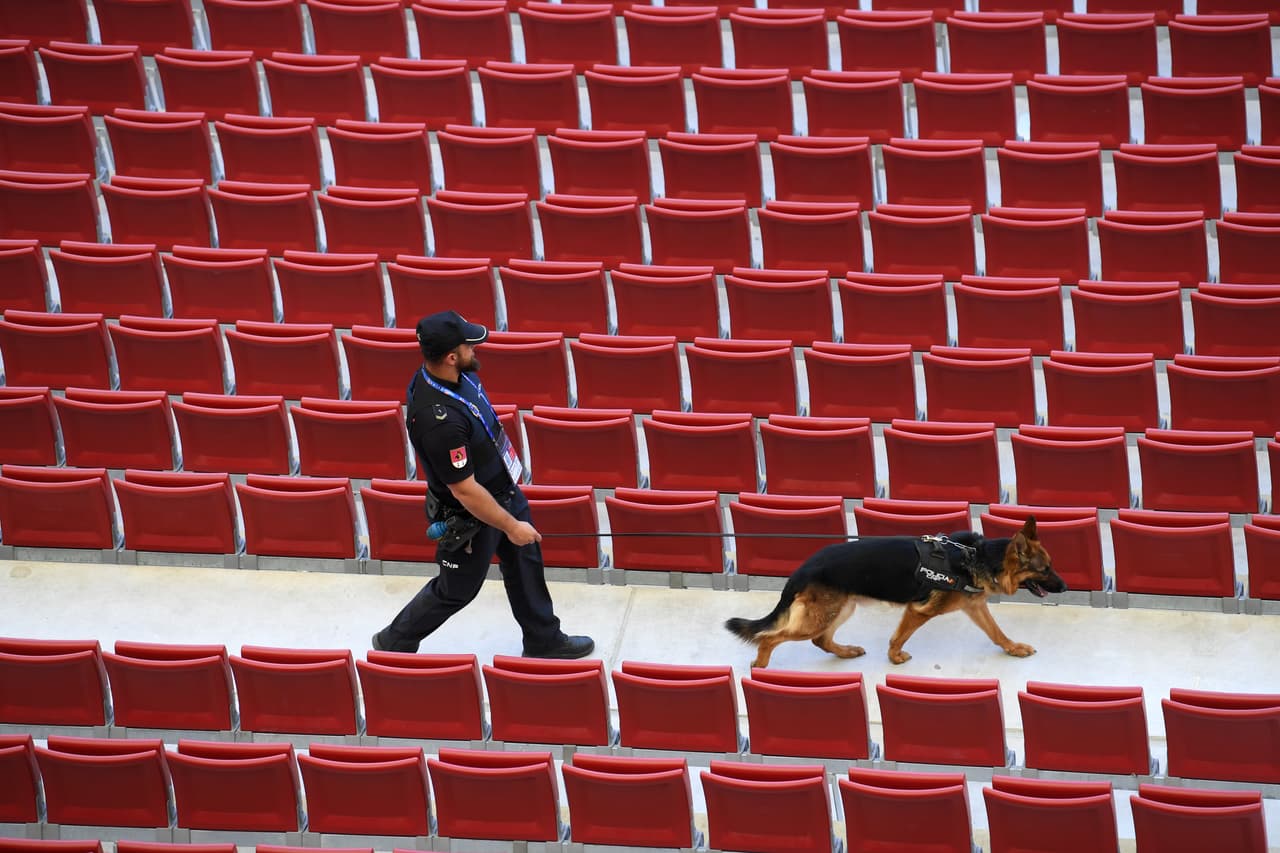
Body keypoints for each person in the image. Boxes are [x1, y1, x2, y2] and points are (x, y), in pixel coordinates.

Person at [371, 310, 595, 659]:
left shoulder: (457, 375)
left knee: (525, 561)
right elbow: (465, 490)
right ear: (450, 356)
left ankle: (543, 639)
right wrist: (510, 525)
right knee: (457, 590)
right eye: (467, 346)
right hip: (472, 511)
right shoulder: (437, 420)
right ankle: (394, 641)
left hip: (501, 489)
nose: (475, 349)